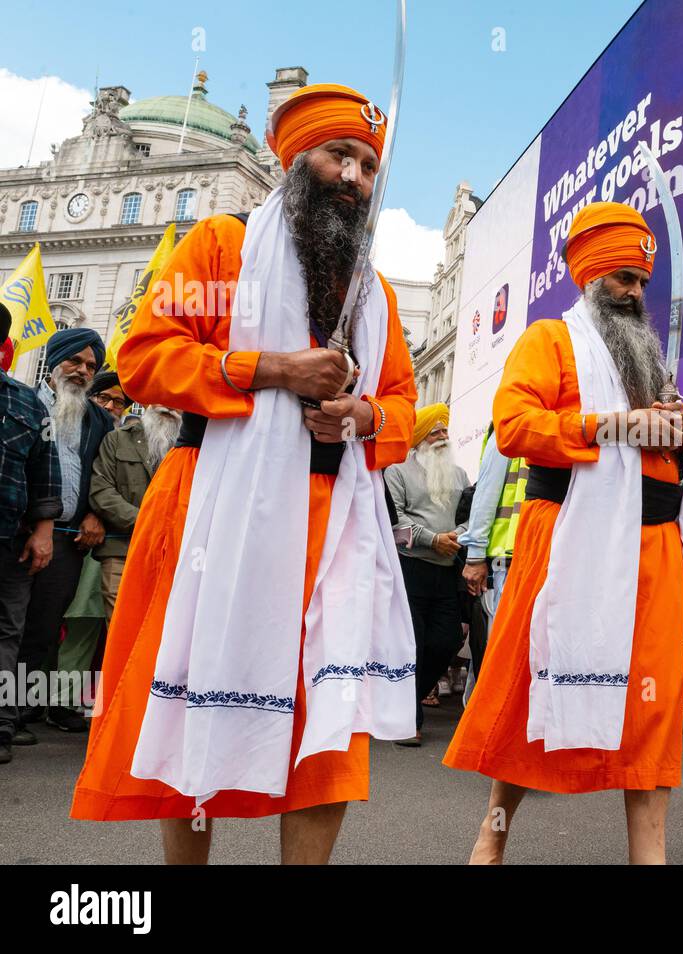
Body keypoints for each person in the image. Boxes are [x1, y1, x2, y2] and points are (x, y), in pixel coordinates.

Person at [71, 82, 419, 865]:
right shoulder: (219, 246)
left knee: (327, 717)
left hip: (336, 522)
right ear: (296, 159)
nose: (355, 177)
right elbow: (145, 359)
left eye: (368, 164)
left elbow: (402, 403)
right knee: (198, 706)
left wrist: (364, 417)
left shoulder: (377, 291)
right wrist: (271, 369)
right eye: (340, 155)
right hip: (210, 510)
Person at [443, 202, 683, 865]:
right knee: (540, 687)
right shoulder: (549, 341)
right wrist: (615, 425)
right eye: (623, 280)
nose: (636, 293)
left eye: (642, 282)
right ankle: (490, 838)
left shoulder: (649, 362)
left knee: (652, 702)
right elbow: (516, 428)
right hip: (564, 540)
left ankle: (651, 856)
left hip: (655, 548)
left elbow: (661, 447)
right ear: (590, 278)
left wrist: (676, 427)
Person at [18, 327, 114, 734]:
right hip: (19, 533)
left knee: (43, 625)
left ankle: (20, 711)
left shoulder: (100, 419)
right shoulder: (24, 403)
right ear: (54, 360)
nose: (82, 370)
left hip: (68, 539)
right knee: (11, 622)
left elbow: (103, 476)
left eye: (91, 366)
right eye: (75, 360)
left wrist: (96, 514)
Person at [0, 301, 62, 765]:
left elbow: (46, 472)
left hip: (11, 540)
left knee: (7, 631)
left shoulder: (26, 402)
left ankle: (1, 726)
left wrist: (43, 532)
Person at [386, 403, 469, 746]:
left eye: (445, 431)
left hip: (448, 570)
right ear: (419, 437)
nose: (442, 437)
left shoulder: (461, 475)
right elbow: (394, 524)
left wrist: (457, 537)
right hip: (411, 568)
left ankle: (407, 701)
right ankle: (409, 721)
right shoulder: (396, 471)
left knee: (447, 641)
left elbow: (472, 514)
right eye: (435, 432)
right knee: (413, 645)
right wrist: (432, 540)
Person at [90, 403, 181, 621]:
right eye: (161, 395)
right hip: (122, 551)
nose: (169, 405)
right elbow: (101, 491)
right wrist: (147, 522)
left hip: (173, 556)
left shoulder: (193, 448)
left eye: (175, 398)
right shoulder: (117, 439)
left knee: (162, 631)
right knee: (121, 627)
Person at [460, 425, 527, 692]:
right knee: (504, 655)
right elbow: (486, 491)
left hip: (543, 556)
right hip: (508, 561)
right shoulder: (509, 424)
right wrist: (475, 555)